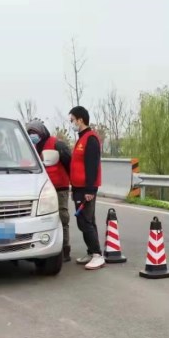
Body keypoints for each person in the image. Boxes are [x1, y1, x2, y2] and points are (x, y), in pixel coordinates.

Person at [27, 119, 73, 262]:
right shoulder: (29, 147)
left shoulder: (57, 145)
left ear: (42, 133)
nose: (32, 136)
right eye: (29, 133)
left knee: (62, 217)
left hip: (59, 187)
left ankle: (65, 249)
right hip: (38, 190)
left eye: (34, 133)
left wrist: (70, 182)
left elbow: (69, 164)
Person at [67, 106, 104, 270]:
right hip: (78, 188)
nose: (72, 123)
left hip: (86, 189)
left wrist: (90, 190)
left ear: (80, 119)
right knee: (88, 220)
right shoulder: (81, 138)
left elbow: (92, 166)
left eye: (72, 120)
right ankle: (91, 252)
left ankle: (97, 254)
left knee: (85, 222)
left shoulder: (91, 139)